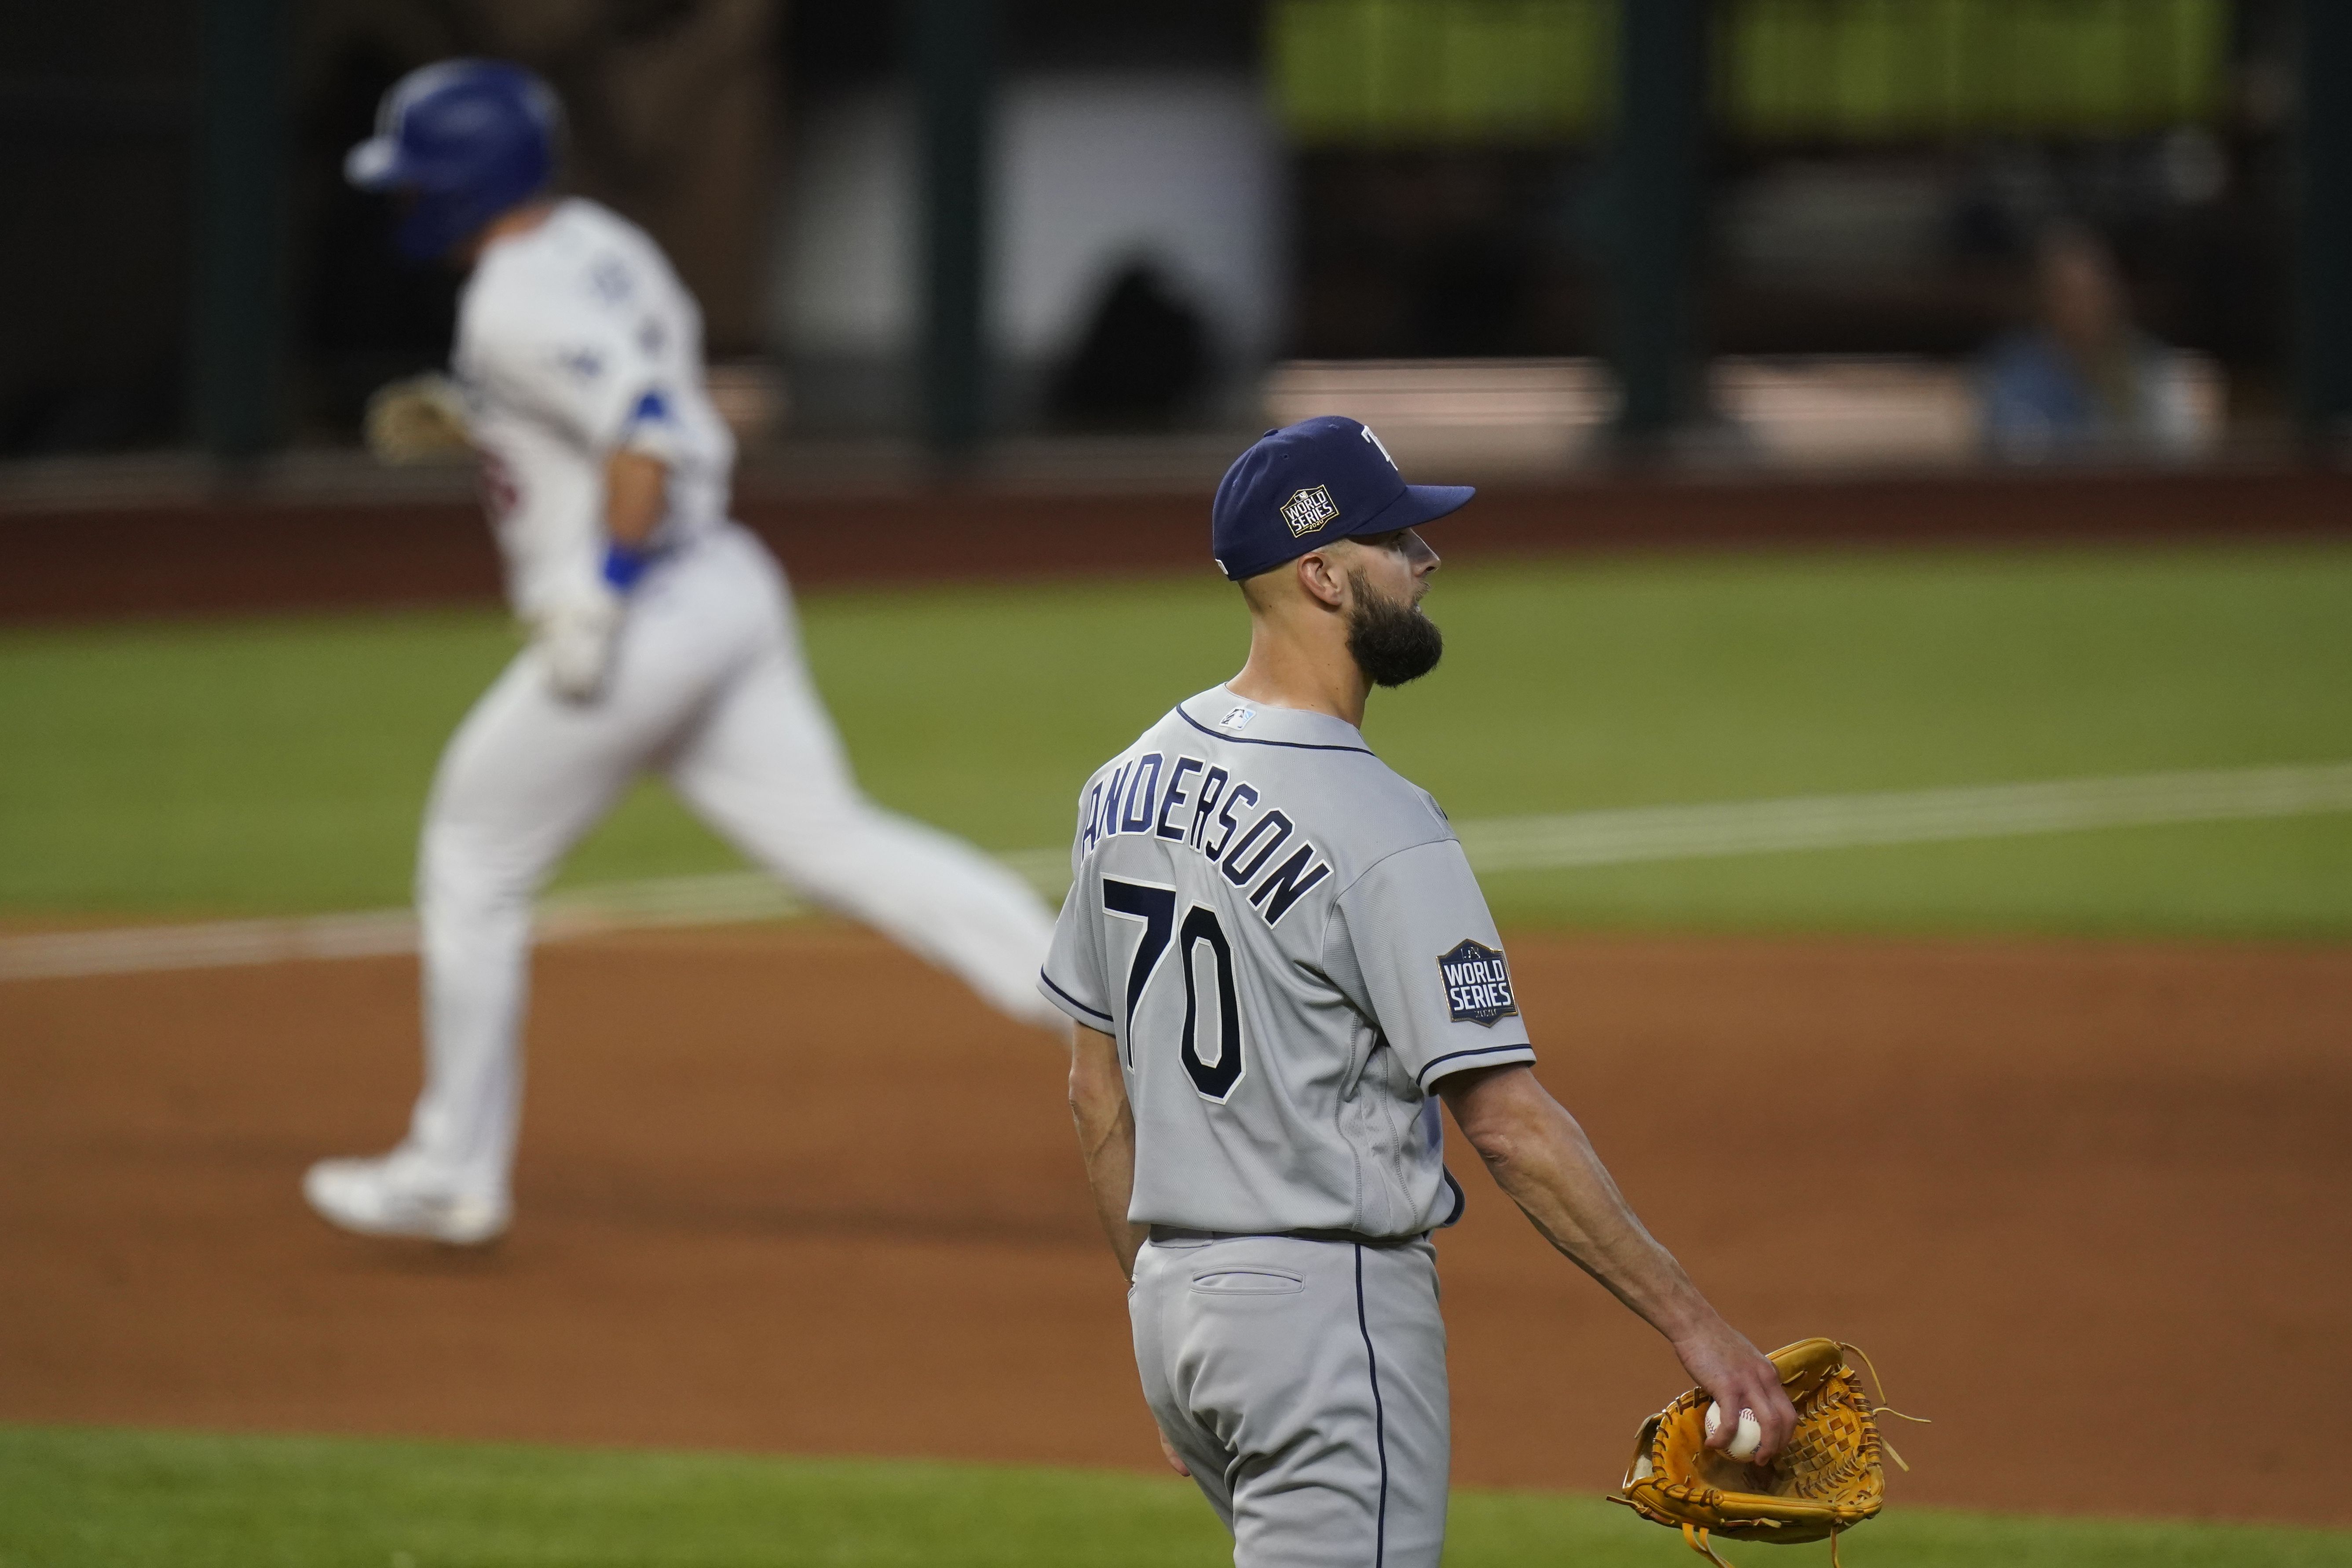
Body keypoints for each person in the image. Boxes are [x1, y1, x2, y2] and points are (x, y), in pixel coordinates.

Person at [305, 60, 1064, 1246]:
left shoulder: (505, 301)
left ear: (462, 185)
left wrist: (599, 594)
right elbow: (641, 385)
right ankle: (1098, 998)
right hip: (726, 585)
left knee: (471, 856)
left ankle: (450, 1170)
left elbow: (645, 433)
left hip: (639, 612)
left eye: (416, 181)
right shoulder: (597, 240)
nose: (403, 202)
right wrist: (489, 414)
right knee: (835, 843)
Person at [1038, 415, 1797, 1568]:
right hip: (1321, 1321)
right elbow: (1507, 1121)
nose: (1428, 561)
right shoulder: (1383, 825)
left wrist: (1169, 1308)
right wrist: (1704, 1332)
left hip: (1179, 1314)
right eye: (1398, 540)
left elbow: (1096, 1094)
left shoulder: (1121, 785)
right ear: (1322, 574)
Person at [1979, 222, 2213, 461]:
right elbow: (2002, 447)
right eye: (2069, 295)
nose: (2084, 307)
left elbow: (2175, 448)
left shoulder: (2146, 364)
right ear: (2044, 300)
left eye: (2093, 292)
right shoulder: (2012, 369)